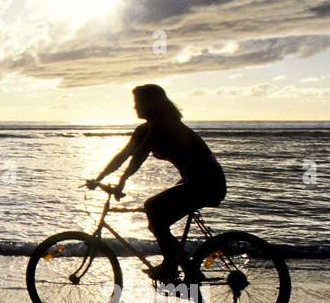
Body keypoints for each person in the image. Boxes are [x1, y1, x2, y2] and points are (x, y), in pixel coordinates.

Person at [86, 84, 226, 283]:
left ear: (150, 104)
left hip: (208, 182)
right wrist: (99, 177)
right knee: (156, 221)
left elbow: (140, 156)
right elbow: (123, 156)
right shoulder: (144, 129)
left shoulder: (162, 124)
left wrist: (122, 181)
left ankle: (172, 265)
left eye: (137, 103)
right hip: (193, 180)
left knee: (152, 207)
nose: (134, 107)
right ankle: (184, 266)